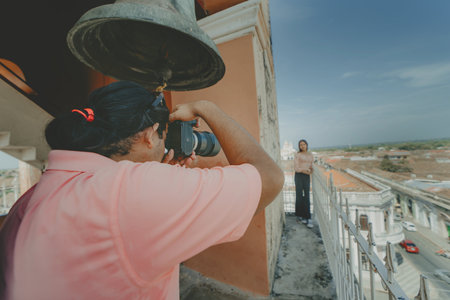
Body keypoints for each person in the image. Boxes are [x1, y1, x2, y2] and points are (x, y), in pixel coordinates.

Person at [0, 81, 284, 300]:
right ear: (150, 135)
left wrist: (161, 178)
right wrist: (206, 107)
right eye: (163, 135)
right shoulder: (130, 191)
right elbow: (269, 179)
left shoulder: (30, 198)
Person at [294, 139, 314, 228]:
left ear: (306, 145)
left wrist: (310, 171)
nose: (302, 146)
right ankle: (300, 215)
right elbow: (296, 167)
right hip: (299, 175)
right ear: (299, 146)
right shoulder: (297, 155)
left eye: (304, 144)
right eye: (300, 145)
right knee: (299, 196)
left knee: (307, 196)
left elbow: (311, 166)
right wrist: (304, 170)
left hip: (306, 176)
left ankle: (308, 217)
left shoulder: (310, 155)